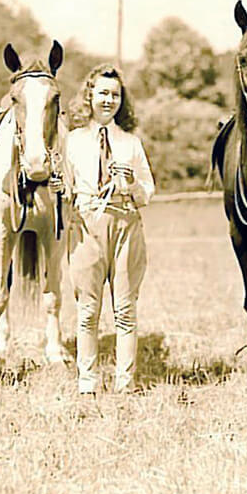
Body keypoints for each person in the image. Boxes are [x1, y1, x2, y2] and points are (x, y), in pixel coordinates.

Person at [64, 64, 155, 395]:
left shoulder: (130, 142)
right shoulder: (71, 141)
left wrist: (131, 184)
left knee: (125, 309)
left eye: (115, 95)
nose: (108, 100)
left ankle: (125, 381)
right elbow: (65, 190)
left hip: (126, 225)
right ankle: (87, 380)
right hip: (87, 227)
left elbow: (148, 191)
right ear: (89, 95)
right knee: (88, 309)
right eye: (102, 93)